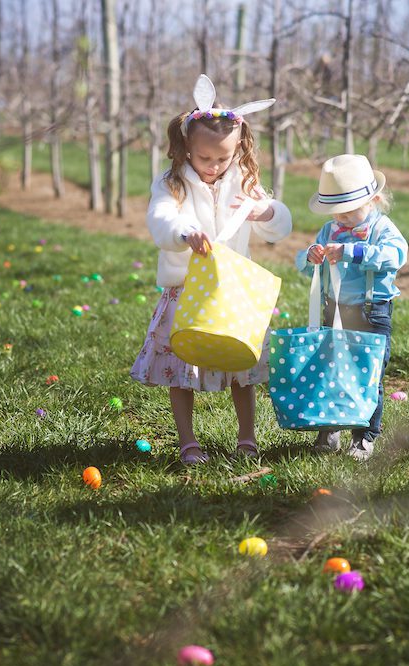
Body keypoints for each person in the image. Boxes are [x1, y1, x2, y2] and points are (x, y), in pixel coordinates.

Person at [131, 75, 292, 465]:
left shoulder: (244, 181)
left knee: (242, 366)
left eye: (224, 158)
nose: (214, 166)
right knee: (180, 365)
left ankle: (247, 438)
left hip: (231, 290)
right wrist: (185, 232)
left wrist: (264, 210)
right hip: (186, 288)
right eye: (205, 158)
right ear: (186, 148)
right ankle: (188, 442)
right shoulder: (172, 185)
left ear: (237, 150)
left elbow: (279, 225)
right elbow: (160, 219)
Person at [295, 154, 408, 461]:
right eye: (336, 213)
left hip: (372, 311)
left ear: (374, 199)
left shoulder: (383, 228)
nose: (341, 219)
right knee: (331, 368)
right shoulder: (329, 231)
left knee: (368, 373)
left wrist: (352, 251)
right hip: (335, 308)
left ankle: (364, 436)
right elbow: (303, 268)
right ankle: (330, 428)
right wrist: (310, 256)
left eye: (348, 212)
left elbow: (394, 256)